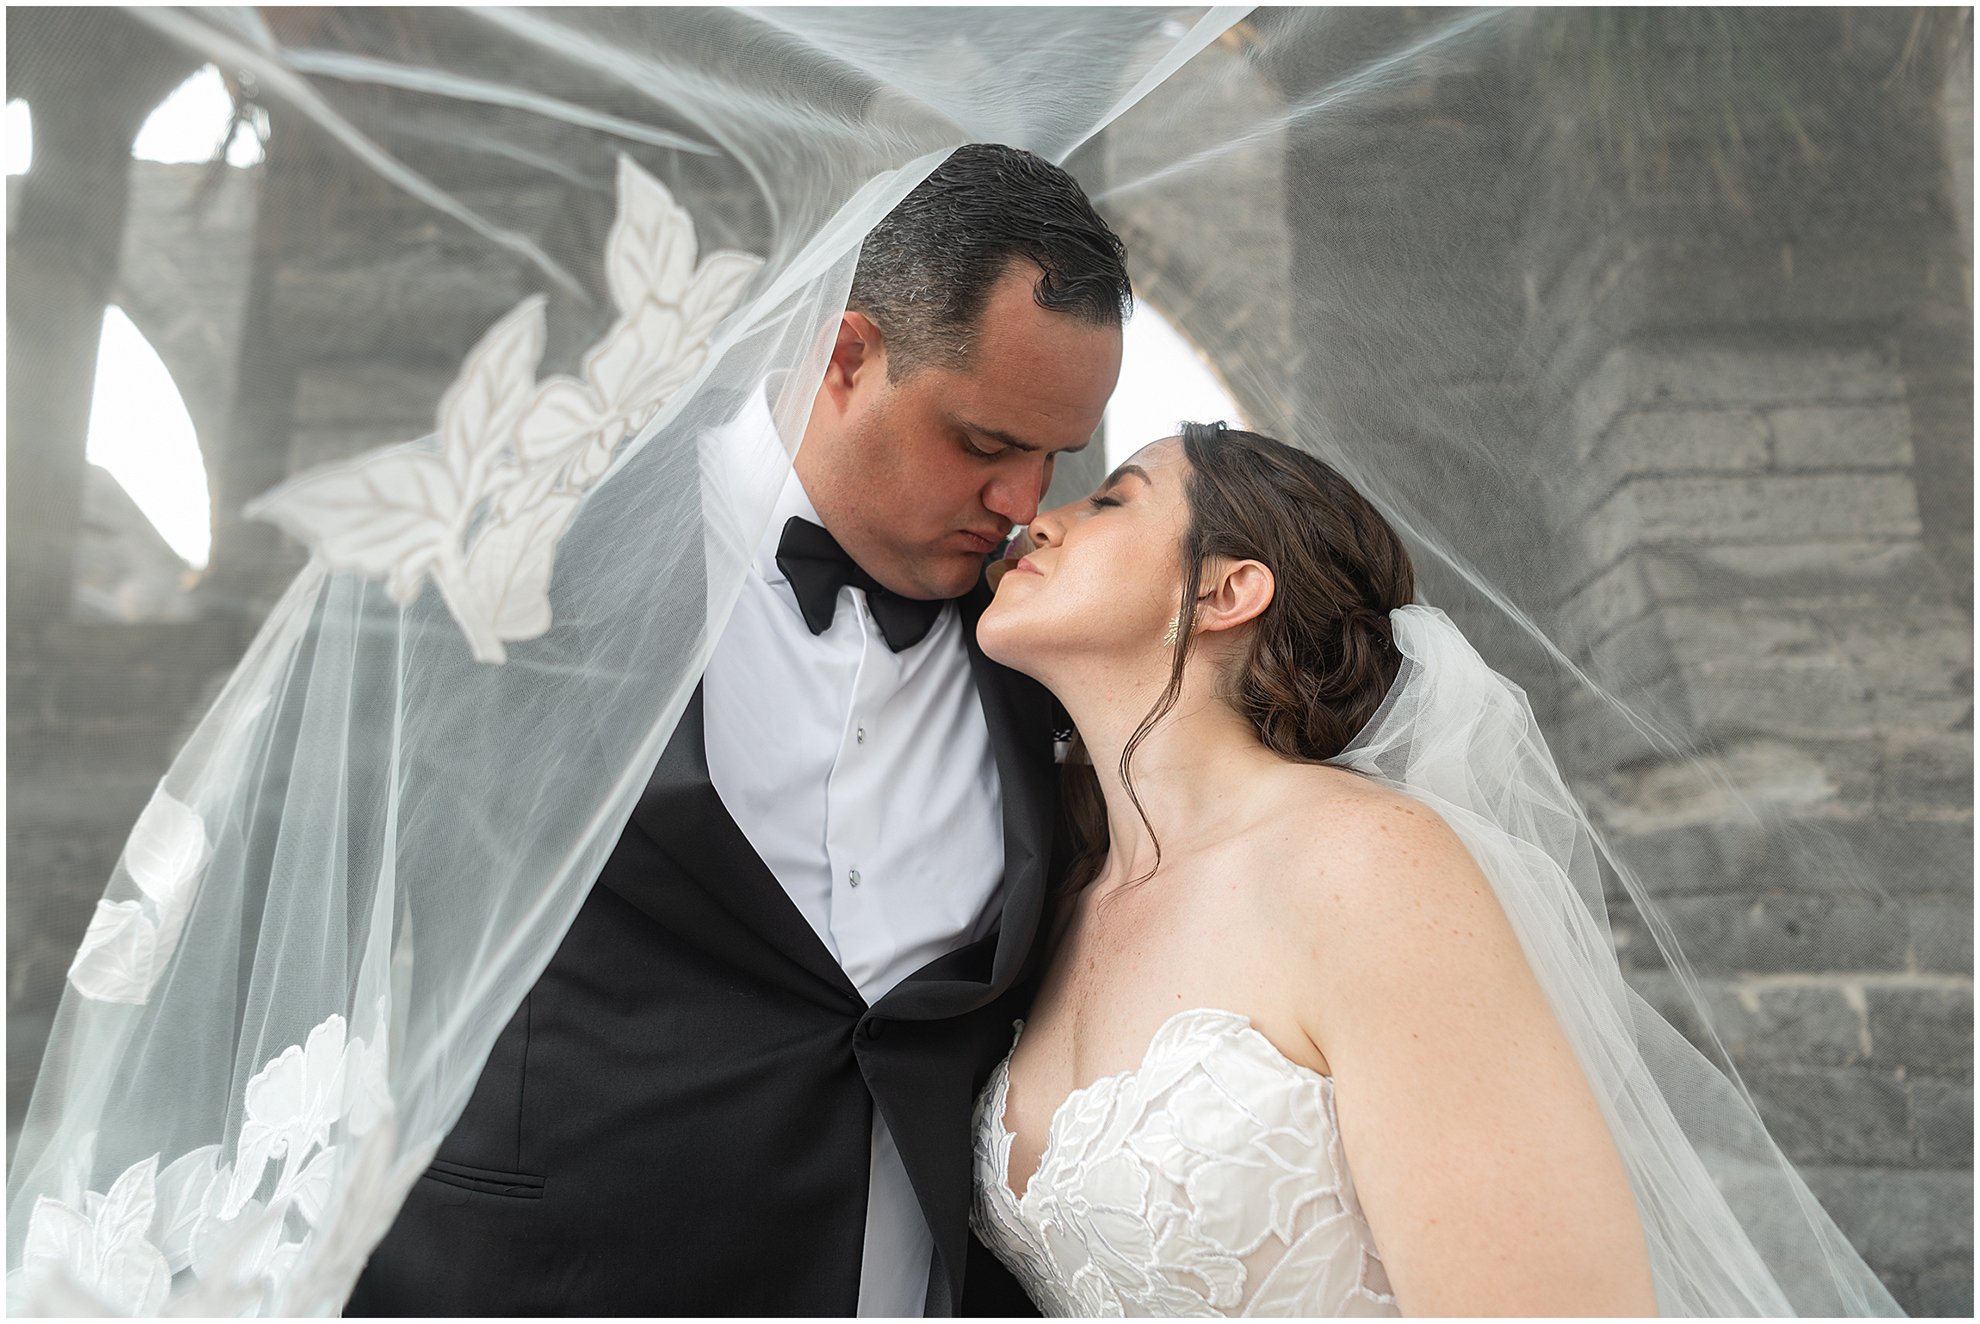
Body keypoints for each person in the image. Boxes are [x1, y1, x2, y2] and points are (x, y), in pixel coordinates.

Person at [345, 142, 1127, 1317]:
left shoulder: (1042, 642)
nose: (1023, 502)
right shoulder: (518, 569)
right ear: (846, 356)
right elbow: (305, 916)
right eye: (985, 443)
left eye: (1056, 457)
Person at [966, 423, 1902, 1316]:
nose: (1041, 518)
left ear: (1225, 591)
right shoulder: (1063, 900)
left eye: (1111, 500)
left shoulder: (1366, 866)